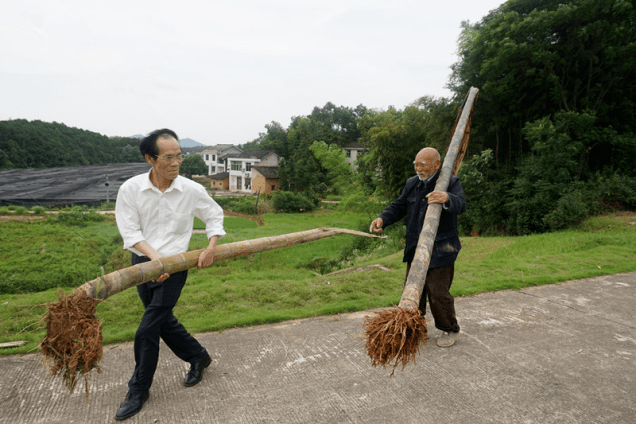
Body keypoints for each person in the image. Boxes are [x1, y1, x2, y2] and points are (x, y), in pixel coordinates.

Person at [113, 129, 225, 421]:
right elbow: (130, 231)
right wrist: (154, 258)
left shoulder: (190, 189)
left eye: (179, 156)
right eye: (168, 157)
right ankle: (198, 356)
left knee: (147, 328)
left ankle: (138, 389)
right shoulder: (131, 189)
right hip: (143, 263)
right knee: (162, 321)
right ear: (151, 158)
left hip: (175, 266)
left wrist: (210, 247)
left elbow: (214, 216)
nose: (176, 163)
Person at [369, 147, 465, 348]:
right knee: (413, 292)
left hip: (441, 249)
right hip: (415, 248)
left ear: (437, 164)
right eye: (416, 163)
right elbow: (399, 205)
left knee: (438, 292)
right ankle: (414, 329)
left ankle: (450, 328)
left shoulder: (450, 182)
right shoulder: (412, 184)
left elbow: (461, 204)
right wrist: (382, 219)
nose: (417, 168)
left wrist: (447, 198)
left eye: (423, 164)